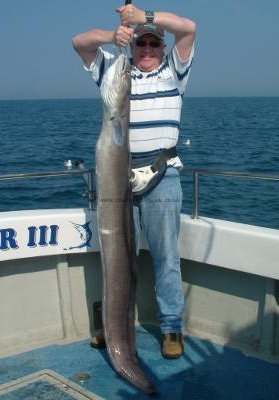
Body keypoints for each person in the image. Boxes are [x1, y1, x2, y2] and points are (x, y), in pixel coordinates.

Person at [72, 4, 196, 359]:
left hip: (162, 176)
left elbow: (188, 29)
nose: (145, 50)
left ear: (161, 49)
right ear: (132, 47)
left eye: (153, 45)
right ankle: (112, 327)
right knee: (114, 256)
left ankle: (172, 328)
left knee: (166, 257)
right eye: (140, 44)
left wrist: (145, 18)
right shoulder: (115, 68)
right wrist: (112, 37)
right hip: (117, 179)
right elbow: (80, 43)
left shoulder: (174, 72)